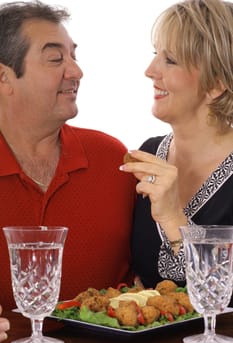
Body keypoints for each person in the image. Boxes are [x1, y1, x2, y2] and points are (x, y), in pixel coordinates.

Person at [0, 0, 136, 311]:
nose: (76, 71)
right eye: (55, 59)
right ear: (4, 77)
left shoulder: (114, 159)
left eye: (73, 56)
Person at [120, 0, 233, 291]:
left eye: (170, 60)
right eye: (155, 55)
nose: (150, 70)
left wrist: (172, 218)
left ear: (216, 84)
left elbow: (222, 292)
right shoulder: (147, 153)